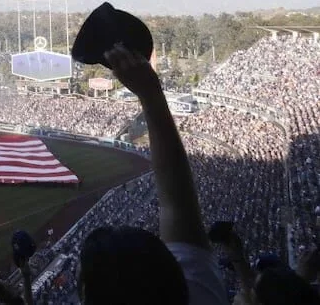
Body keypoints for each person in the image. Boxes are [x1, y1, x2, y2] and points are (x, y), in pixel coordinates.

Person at [75, 44, 226, 305]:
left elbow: (178, 206)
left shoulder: (201, 290)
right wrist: (151, 94)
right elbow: (178, 206)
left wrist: (150, 94)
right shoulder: (196, 292)